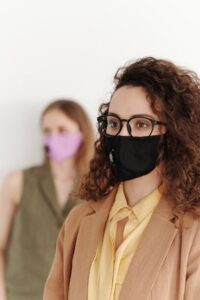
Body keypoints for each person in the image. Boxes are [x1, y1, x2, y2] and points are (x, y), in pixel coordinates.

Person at [43, 58, 200, 300]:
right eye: (114, 123)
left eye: (140, 124)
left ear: (173, 132)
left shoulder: (193, 232)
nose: (123, 135)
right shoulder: (78, 221)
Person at [0, 99, 94, 300]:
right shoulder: (17, 182)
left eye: (62, 130)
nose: (53, 137)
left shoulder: (98, 187)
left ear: (82, 133)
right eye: (47, 130)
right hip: (24, 293)